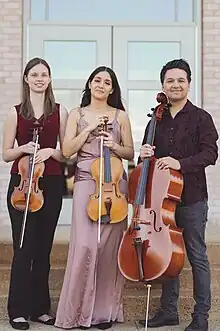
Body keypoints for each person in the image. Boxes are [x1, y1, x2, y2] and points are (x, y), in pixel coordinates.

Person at [138, 59, 218, 331]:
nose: (175, 85)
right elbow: (146, 160)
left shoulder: (201, 117)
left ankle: (201, 317)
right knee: (168, 253)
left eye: (180, 80)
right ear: (163, 85)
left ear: (188, 84)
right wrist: (144, 154)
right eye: (170, 81)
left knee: (196, 255)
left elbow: (211, 154)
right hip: (162, 199)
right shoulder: (156, 118)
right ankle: (168, 311)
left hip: (193, 198)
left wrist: (179, 163)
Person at [55, 66, 134, 330]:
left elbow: (130, 152)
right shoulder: (77, 114)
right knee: (85, 246)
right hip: (87, 181)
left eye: (107, 81)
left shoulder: (120, 116)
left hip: (113, 185)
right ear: (89, 83)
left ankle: (102, 313)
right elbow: (66, 150)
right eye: (97, 80)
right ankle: (77, 312)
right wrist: (87, 130)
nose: (101, 84)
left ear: (112, 88)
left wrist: (115, 146)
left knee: (109, 249)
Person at [2, 57, 68, 330]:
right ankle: (17, 310)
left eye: (44, 74)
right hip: (22, 184)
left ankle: (40, 309)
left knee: (43, 249)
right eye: (34, 74)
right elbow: (6, 153)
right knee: (22, 248)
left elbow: (66, 152)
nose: (39, 78)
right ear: (27, 79)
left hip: (51, 183)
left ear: (49, 79)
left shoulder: (61, 111)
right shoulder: (15, 112)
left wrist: (51, 151)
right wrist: (24, 148)